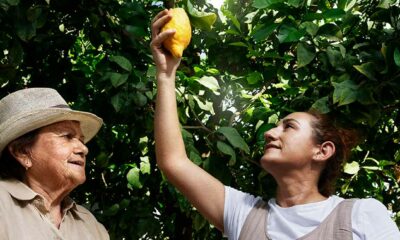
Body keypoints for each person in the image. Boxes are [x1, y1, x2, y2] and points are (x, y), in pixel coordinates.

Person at [151, 9, 400, 240]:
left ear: (322, 151)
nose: (270, 132)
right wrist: (165, 74)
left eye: (288, 126)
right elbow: (173, 161)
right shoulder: (243, 214)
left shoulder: (361, 216)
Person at [0, 88, 109, 239]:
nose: (83, 149)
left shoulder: (90, 224)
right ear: (22, 152)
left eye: (81, 140)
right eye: (67, 136)